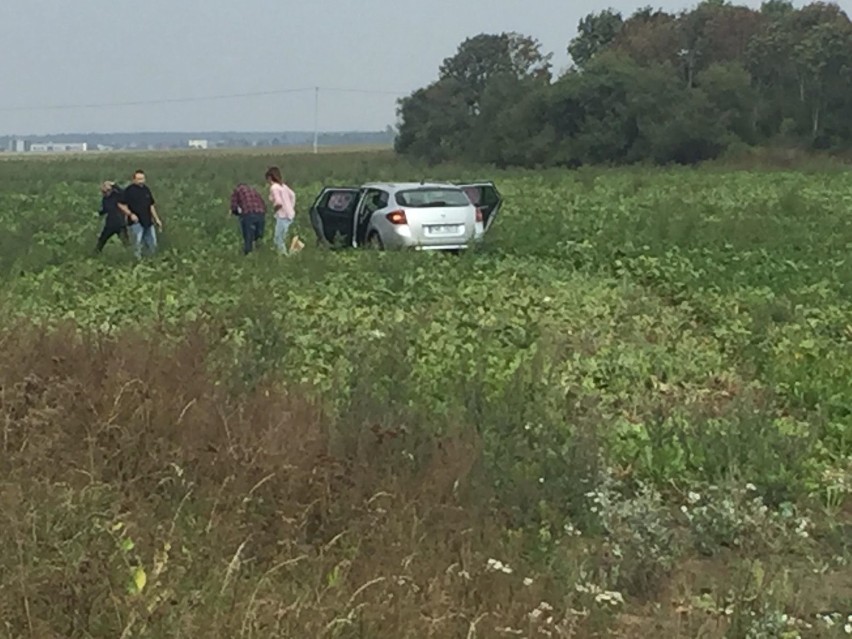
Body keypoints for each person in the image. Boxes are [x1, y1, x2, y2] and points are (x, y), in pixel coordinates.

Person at [118, 169, 163, 259]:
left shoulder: (146, 190)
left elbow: (151, 205)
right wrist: (130, 214)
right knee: (137, 244)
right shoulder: (129, 190)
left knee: (152, 244)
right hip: (136, 222)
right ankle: (137, 262)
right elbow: (121, 204)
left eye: (142, 179)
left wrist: (157, 219)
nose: (141, 181)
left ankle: (152, 261)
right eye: (138, 179)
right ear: (134, 179)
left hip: (148, 221)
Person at [265, 166, 296, 254]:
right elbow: (293, 195)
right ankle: (292, 254)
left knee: (279, 239)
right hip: (290, 215)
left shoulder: (274, 187)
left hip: (282, 216)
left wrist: (273, 211)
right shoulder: (283, 186)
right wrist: (291, 207)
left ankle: (283, 257)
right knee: (287, 237)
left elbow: (278, 202)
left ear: (270, 178)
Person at [229, 182, 267, 254]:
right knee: (259, 237)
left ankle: (248, 254)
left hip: (248, 213)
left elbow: (234, 206)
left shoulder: (237, 190)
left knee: (248, 237)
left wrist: (237, 213)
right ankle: (260, 254)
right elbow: (263, 203)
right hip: (261, 213)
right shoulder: (253, 190)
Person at [95, 181, 132, 253]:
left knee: (126, 242)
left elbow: (124, 193)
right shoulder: (105, 199)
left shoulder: (117, 196)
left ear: (110, 190)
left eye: (106, 191)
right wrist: (99, 213)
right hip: (110, 224)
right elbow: (105, 209)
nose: (105, 193)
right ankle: (95, 254)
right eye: (103, 192)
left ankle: (130, 255)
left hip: (120, 224)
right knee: (101, 241)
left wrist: (114, 185)